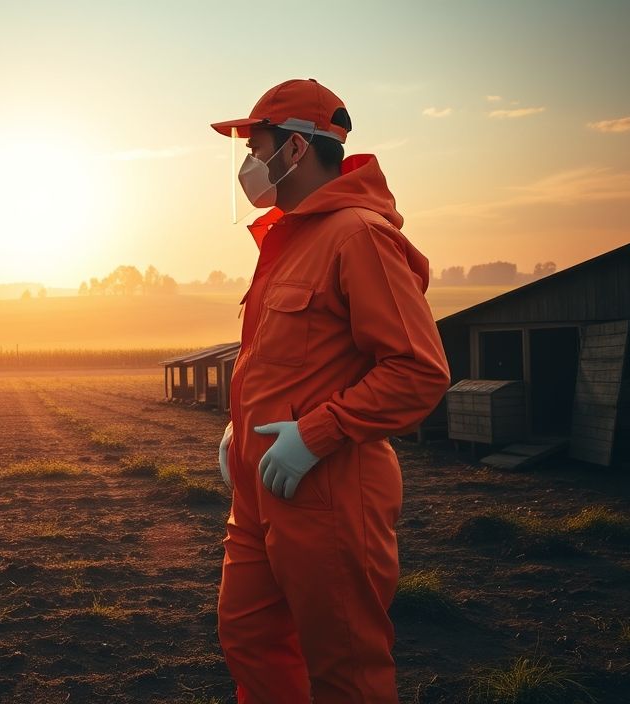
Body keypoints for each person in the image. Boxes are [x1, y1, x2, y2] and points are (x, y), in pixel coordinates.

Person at [210, 79, 451, 703]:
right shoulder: (291, 239)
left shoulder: (357, 235)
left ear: (293, 150)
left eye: (255, 146)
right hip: (262, 485)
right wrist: (242, 426)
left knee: (345, 668)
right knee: (249, 640)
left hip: (330, 492)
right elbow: (286, 360)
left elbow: (418, 370)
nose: (246, 165)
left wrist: (317, 434)